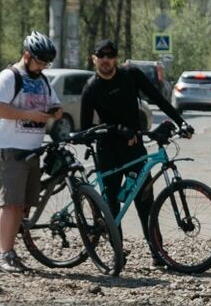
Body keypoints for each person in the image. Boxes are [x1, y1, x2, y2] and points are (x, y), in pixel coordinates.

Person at [79, 39, 190, 227]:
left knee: (145, 201)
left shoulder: (131, 75)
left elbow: (158, 99)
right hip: (108, 150)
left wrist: (182, 122)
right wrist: (117, 130)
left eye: (110, 55)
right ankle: (118, 253)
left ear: (116, 59)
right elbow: (85, 129)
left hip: (134, 147)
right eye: (101, 55)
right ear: (93, 59)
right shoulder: (91, 88)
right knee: (112, 205)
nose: (105, 59)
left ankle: (157, 253)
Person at [0, 32, 63, 273]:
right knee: (11, 204)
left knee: (23, 204)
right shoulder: (10, 77)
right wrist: (28, 114)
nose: (42, 67)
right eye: (39, 61)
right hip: (11, 148)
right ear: (27, 55)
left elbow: (57, 105)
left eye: (46, 63)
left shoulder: (43, 80)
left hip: (33, 149)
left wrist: (54, 111)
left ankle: (10, 250)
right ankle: (3, 255)